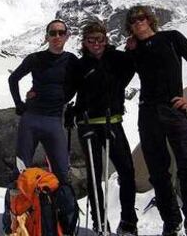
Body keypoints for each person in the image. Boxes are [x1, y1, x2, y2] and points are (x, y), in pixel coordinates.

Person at [124, 6, 187, 236]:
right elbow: (120, 75)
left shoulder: (171, 38)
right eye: (133, 20)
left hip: (173, 110)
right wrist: (129, 50)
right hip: (147, 113)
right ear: (129, 27)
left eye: (141, 17)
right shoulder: (134, 49)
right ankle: (171, 222)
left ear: (150, 20)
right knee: (157, 172)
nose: (138, 22)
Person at [69, 21, 138, 236]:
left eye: (100, 39)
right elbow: (68, 90)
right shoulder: (79, 66)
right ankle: (100, 223)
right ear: (84, 42)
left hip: (113, 122)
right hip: (87, 125)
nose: (96, 44)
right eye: (91, 40)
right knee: (94, 176)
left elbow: (132, 68)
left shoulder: (118, 59)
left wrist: (132, 48)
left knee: (127, 171)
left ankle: (128, 222)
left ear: (106, 39)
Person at [8, 19, 77, 184]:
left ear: (67, 36)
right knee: (21, 169)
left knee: (61, 170)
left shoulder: (71, 60)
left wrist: (65, 101)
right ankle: (15, 209)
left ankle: (58, 208)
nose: (57, 36)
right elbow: (13, 79)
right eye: (53, 33)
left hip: (54, 120)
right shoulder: (35, 58)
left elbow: (79, 83)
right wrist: (19, 104)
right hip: (31, 119)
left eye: (61, 33)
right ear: (46, 37)